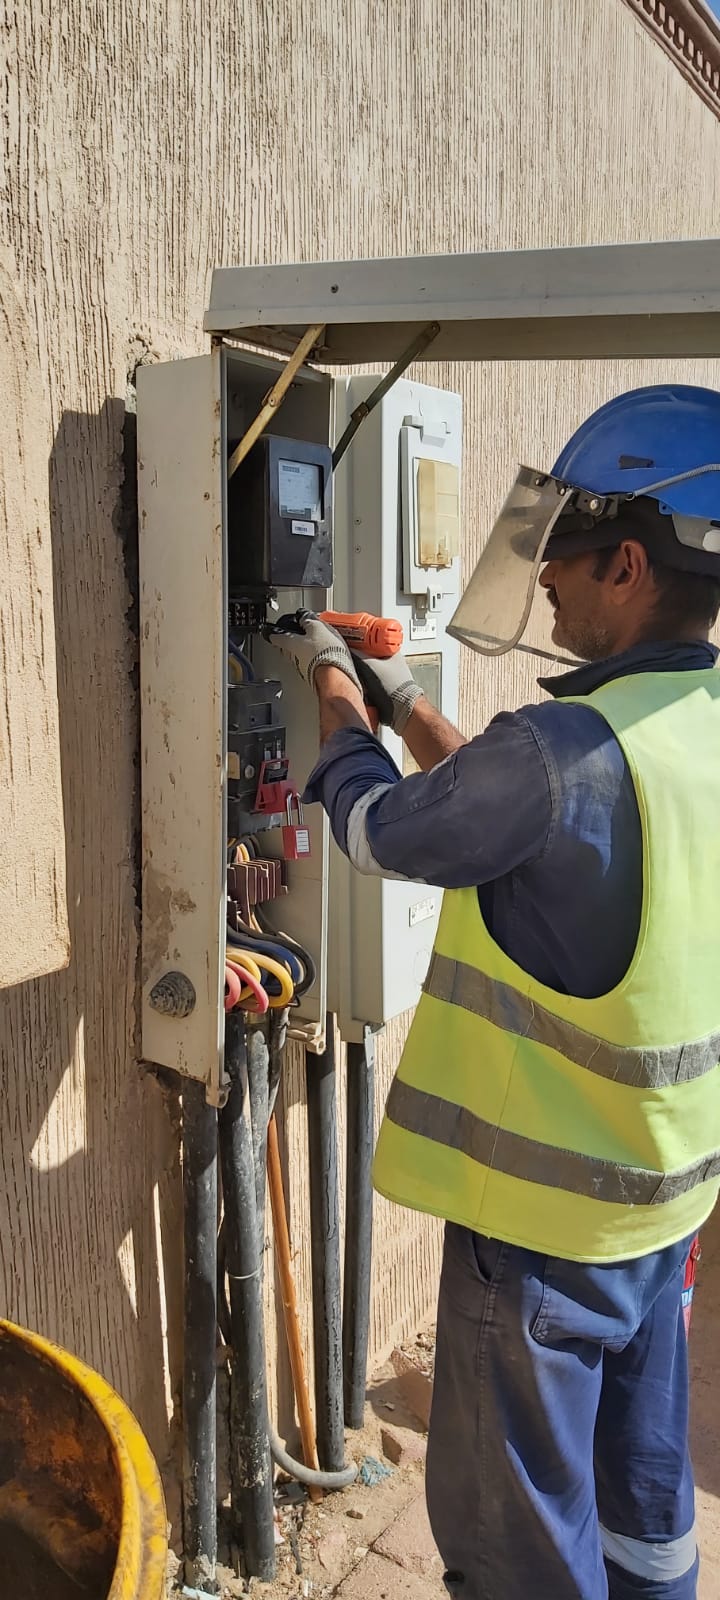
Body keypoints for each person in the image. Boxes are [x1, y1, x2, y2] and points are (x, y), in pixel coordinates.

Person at [269, 384, 720, 1600]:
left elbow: (376, 826)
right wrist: (404, 692)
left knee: (521, 1548)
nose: (549, 580)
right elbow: (520, 813)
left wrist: (331, 684)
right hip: (662, 1214)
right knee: (641, 1510)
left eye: (563, 552)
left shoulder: (566, 750)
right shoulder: (687, 724)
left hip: (540, 1242)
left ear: (630, 564)